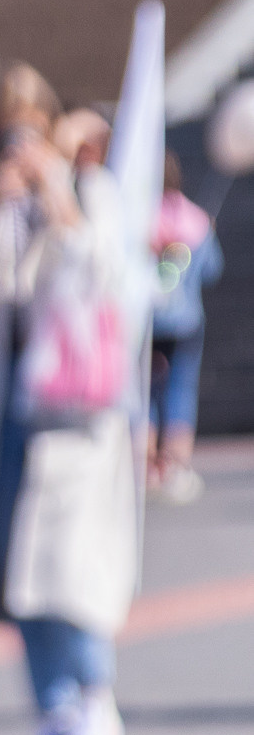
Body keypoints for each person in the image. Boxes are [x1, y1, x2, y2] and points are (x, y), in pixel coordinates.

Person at [0, 90, 137, 735]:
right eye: (6, 136)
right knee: (18, 570)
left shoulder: (91, 189)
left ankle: (94, 697)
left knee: (72, 566)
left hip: (78, 412)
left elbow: (110, 278)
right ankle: (51, 707)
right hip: (9, 410)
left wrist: (62, 200)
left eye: (30, 134)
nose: (19, 149)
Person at [147, 154, 222, 504]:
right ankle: (176, 465)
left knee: (144, 392)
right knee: (179, 390)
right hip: (186, 321)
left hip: (147, 321)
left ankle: (145, 464)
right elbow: (211, 270)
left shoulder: (138, 216)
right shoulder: (195, 219)